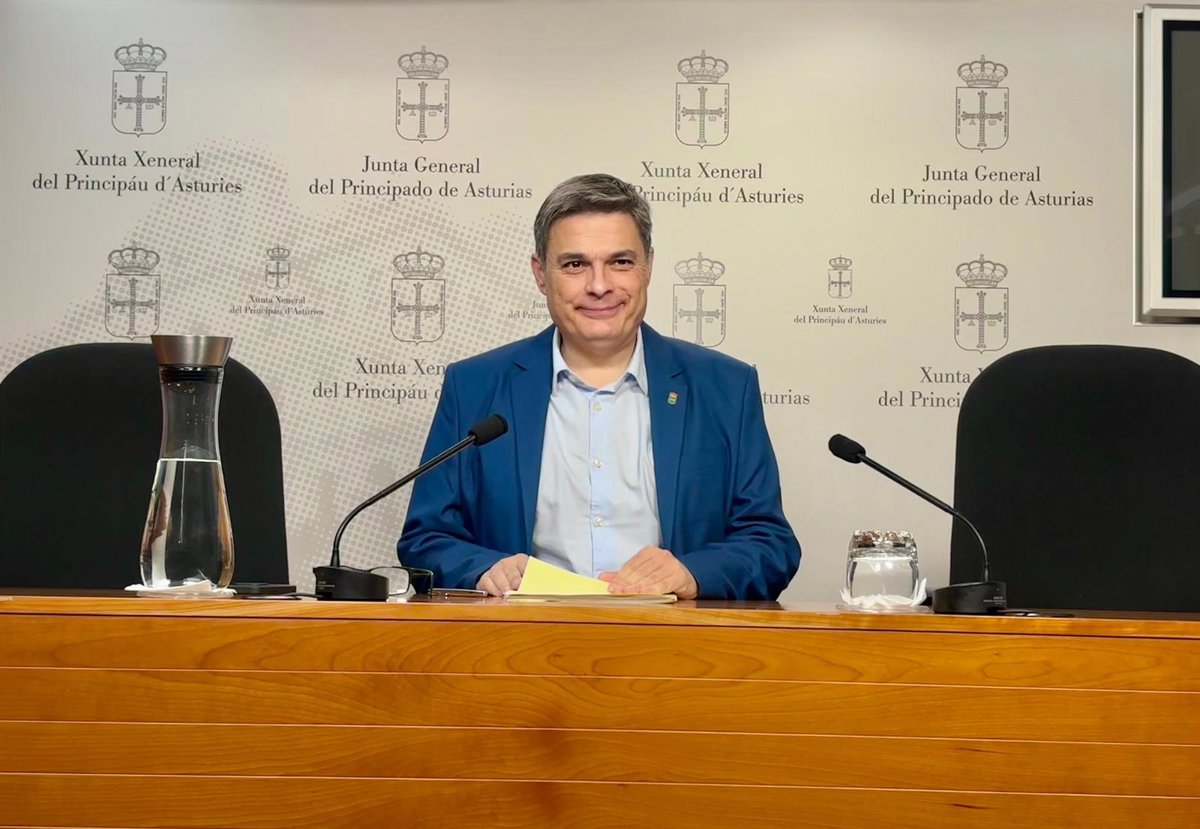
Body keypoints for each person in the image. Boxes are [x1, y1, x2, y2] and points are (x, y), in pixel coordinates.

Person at [399, 173, 800, 599]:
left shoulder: (726, 388)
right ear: (540, 274)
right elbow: (426, 538)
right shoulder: (474, 386)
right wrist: (484, 569)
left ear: (648, 267)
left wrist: (691, 574)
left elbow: (770, 544)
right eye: (575, 265)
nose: (599, 286)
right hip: (523, 635)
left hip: (672, 636)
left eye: (620, 262)